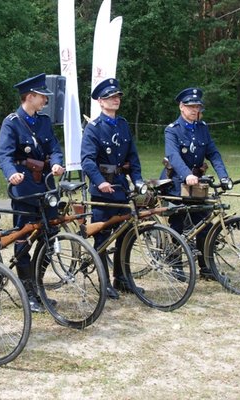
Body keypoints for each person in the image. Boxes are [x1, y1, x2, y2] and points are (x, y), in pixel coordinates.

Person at [0, 73, 65, 312]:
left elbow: (54, 148)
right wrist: (10, 173)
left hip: (46, 186)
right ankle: (27, 291)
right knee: (24, 237)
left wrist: (56, 162)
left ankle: (37, 283)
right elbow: (3, 155)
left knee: (51, 233)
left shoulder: (44, 121)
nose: (46, 100)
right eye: (42, 96)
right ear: (30, 96)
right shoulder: (12, 122)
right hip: (24, 186)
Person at [80, 78, 143, 299]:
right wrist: (100, 181)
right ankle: (104, 282)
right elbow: (87, 161)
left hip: (121, 189)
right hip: (102, 191)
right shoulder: (94, 129)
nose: (115, 100)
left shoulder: (123, 124)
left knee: (125, 234)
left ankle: (123, 278)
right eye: (109, 97)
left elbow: (132, 157)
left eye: (117, 97)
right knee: (102, 237)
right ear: (100, 101)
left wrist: (138, 180)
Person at [161, 87, 230, 280]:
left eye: (197, 106)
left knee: (205, 224)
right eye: (190, 106)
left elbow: (213, 153)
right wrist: (186, 175)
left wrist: (224, 176)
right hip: (176, 183)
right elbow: (173, 155)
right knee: (177, 225)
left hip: (197, 184)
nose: (194, 110)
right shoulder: (172, 130)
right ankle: (176, 266)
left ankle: (207, 268)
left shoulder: (202, 128)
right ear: (181, 107)